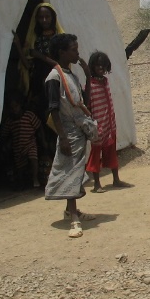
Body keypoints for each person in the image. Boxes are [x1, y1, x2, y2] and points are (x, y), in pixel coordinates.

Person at [44, 33, 94, 238]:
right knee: (72, 172)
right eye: (73, 49)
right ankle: (73, 217)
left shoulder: (70, 75)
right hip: (68, 132)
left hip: (77, 131)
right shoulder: (54, 78)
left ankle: (69, 210)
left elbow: (83, 100)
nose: (77, 52)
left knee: (75, 169)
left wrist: (88, 75)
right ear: (62, 53)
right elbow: (53, 109)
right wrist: (63, 137)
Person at [85, 51, 131, 193]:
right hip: (98, 125)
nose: (100, 68)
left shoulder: (104, 81)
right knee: (96, 153)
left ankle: (116, 179)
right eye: (98, 65)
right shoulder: (90, 84)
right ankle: (97, 184)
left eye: (103, 65)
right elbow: (88, 104)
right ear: (92, 66)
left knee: (111, 151)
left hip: (110, 124)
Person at [1, 95, 44, 188]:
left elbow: (39, 126)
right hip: (17, 146)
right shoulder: (10, 121)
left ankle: (35, 179)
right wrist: (6, 144)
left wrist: (42, 140)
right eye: (12, 108)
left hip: (30, 143)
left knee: (33, 159)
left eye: (16, 106)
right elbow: (4, 135)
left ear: (20, 105)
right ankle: (22, 182)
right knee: (20, 167)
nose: (14, 110)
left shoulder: (29, 115)